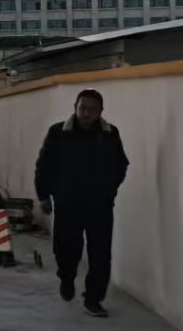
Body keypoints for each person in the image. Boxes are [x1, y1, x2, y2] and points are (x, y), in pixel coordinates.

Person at [34, 89, 128, 317]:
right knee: (66, 249)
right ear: (75, 107)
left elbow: (121, 165)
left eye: (91, 109)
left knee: (100, 255)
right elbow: (44, 165)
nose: (86, 113)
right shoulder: (59, 133)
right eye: (82, 108)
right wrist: (44, 195)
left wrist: (110, 190)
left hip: (100, 206)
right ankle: (66, 278)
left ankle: (93, 300)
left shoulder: (109, 134)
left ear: (100, 112)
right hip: (68, 204)